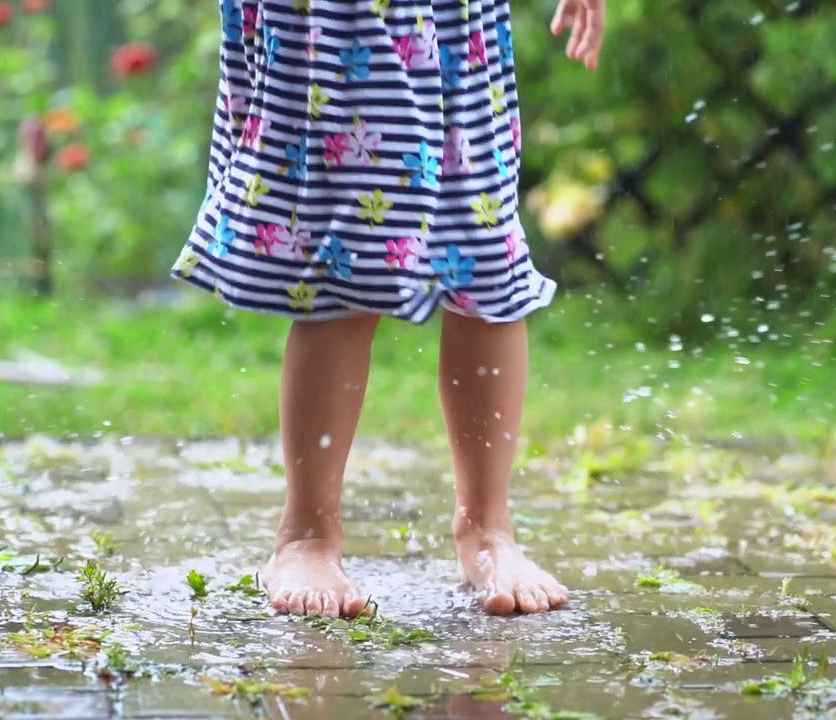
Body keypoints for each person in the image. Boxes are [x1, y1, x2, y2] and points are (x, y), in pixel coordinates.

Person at [172, 0, 606, 617]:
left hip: (456, 17)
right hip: (338, 16)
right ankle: (308, 532)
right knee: (348, 249)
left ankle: (487, 527)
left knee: (484, 251)